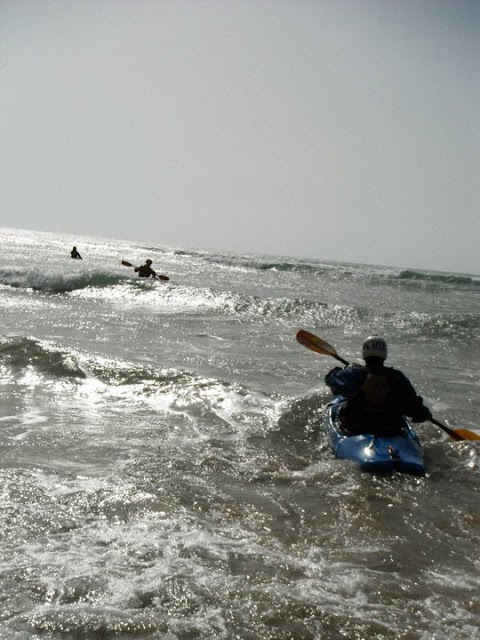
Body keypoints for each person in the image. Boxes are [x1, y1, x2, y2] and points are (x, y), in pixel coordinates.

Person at [325, 336, 432, 436]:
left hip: (356, 427)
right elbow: (415, 409)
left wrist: (343, 369)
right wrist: (424, 413)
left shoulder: (353, 374)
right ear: (384, 353)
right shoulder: (397, 377)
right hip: (390, 430)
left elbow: (331, 379)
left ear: (364, 352)